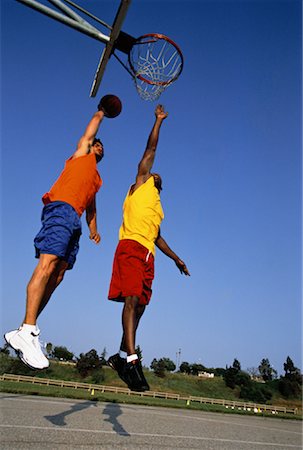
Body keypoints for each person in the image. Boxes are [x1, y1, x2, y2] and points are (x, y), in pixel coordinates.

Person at [5, 99, 116, 370]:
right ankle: (28, 329)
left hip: (75, 220)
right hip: (61, 209)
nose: (99, 146)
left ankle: (26, 329)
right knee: (48, 264)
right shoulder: (81, 154)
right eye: (97, 143)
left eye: (102, 146)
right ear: (91, 145)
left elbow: (91, 209)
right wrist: (101, 113)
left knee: (58, 275)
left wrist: (94, 231)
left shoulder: (96, 179)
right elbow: (89, 132)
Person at [107, 104, 190, 392]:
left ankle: (119, 356)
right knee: (131, 300)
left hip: (148, 254)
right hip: (130, 246)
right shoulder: (140, 184)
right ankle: (131, 360)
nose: (157, 174)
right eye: (155, 172)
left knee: (141, 306)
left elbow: (158, 238)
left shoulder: (157, 206)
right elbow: (151, 149)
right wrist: (158, 121)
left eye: (159, 177)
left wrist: (177, 259)